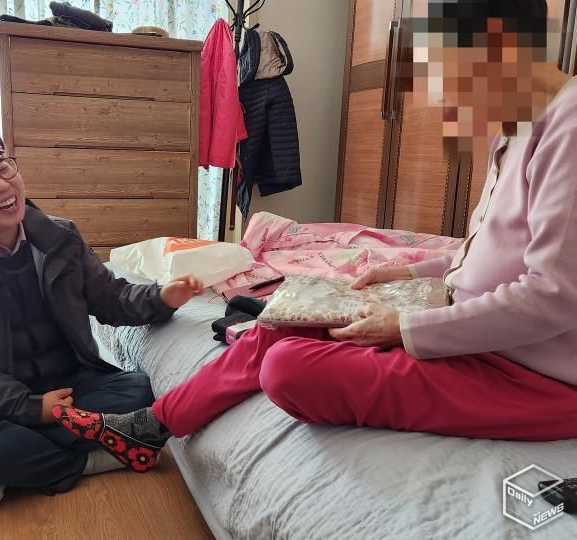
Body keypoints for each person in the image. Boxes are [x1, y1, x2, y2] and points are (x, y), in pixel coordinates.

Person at [53, 0, 577, 471]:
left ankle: (156, 424)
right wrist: (405, 272)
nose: (445, 103)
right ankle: (152, 427)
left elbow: (553, 297)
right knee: (285, 320)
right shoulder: (517, 127)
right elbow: (484, 253)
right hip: (471, 333)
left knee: (288, 368)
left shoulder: (568, 128)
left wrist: (407, 327)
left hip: (529, 375)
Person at [0, 116, 204, 506]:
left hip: (66, 388)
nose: (1, 185)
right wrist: (32, 409)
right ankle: (93, 459)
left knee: (139, 389)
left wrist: (161, 298)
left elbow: (110, 298)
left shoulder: (60, 237)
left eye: (2, 166)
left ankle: (13, 468)